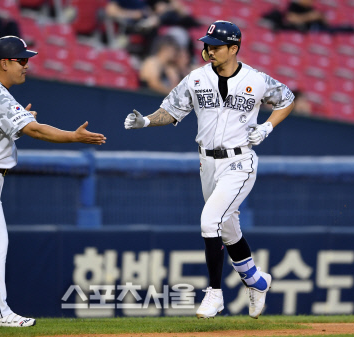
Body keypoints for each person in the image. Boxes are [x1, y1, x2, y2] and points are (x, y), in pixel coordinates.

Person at [0, 36, 106, 327]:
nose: (27, 65)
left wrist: (22, 121)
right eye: (21, 60)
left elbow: (7, 126)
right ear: (4, 63)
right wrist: (73, 136)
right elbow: (36, 130)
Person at [124, 20, 295, 319]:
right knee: (228, 230)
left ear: (234, 48)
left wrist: (267, 126)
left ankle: (214, 293)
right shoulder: (197, 78)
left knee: (209, 221)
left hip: (240, 161)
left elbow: (287, 99)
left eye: (216, 46)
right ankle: (257, 281)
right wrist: (148, 121)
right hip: (207, 162)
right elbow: (171, 110)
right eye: (207, 45)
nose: (209, 50)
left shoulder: (256, 79)